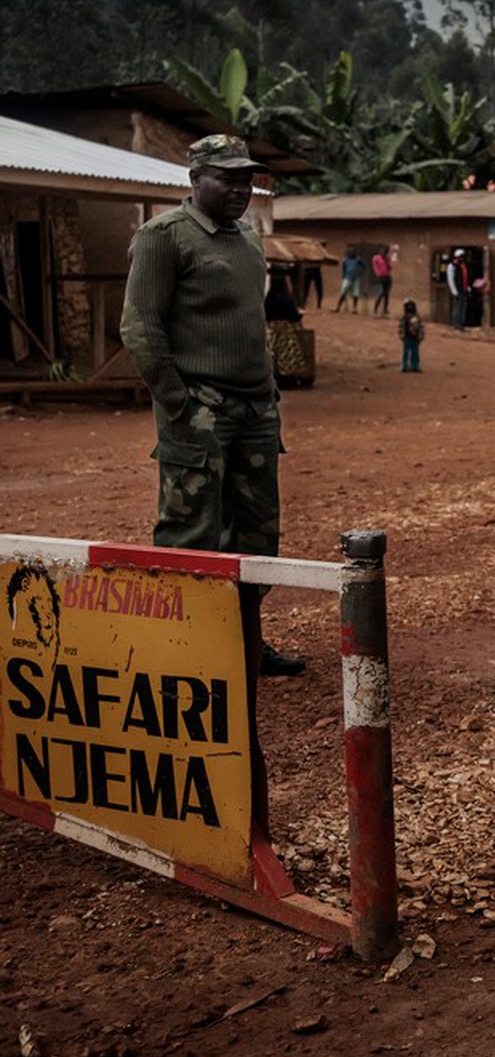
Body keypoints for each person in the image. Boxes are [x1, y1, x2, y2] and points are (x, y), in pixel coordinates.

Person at [121, 134, 303, 677]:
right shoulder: (163, 237)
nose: (241, 188)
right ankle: (185, 655)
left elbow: (250, 322)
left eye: (246, 178)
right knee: (191, 534)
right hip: (199, 408)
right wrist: (177, 401)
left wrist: (267, 390)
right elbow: (140, 325)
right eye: (227, 178)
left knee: (255, 536)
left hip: (254, 409)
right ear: (195, 179)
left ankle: (246, 645)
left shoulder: (247, 238)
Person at [399, 299, 424, 373]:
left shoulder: (417, 317)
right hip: (407, 337)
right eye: (408, 306)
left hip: (415, 337)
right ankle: (405, 366)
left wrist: (421, 335)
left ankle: (415, 366)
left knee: (415, 352)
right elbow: (401, 327)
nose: (410, 307)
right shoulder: (404, 318)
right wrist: (402, 335)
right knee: (406, 352)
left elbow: (420, 327)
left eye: (411, 305)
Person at [445, 252, 469, 331]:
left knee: (463, 307)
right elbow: (450, 279)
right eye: (460, 257)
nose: (461, 259)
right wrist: (454, 291)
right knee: (457, 307)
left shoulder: (463, 266)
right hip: (457, 290)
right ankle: (456, 324)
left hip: (463, 290)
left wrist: (467, 287)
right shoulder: (451, 266)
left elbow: (464, 278)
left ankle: (461, 323)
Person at [369, 248, 393, 316]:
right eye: (383, 252)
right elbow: (375, 267)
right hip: (381, 277)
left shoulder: (387, 258)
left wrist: (388, 260)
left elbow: (390, 268)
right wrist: (379, 275)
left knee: (387, 294)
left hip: (388, 276)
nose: (384, 254)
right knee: (382, 293)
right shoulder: (376, 258)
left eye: (386, 253)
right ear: (380, 251)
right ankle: (375, 309)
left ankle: (385, 310)